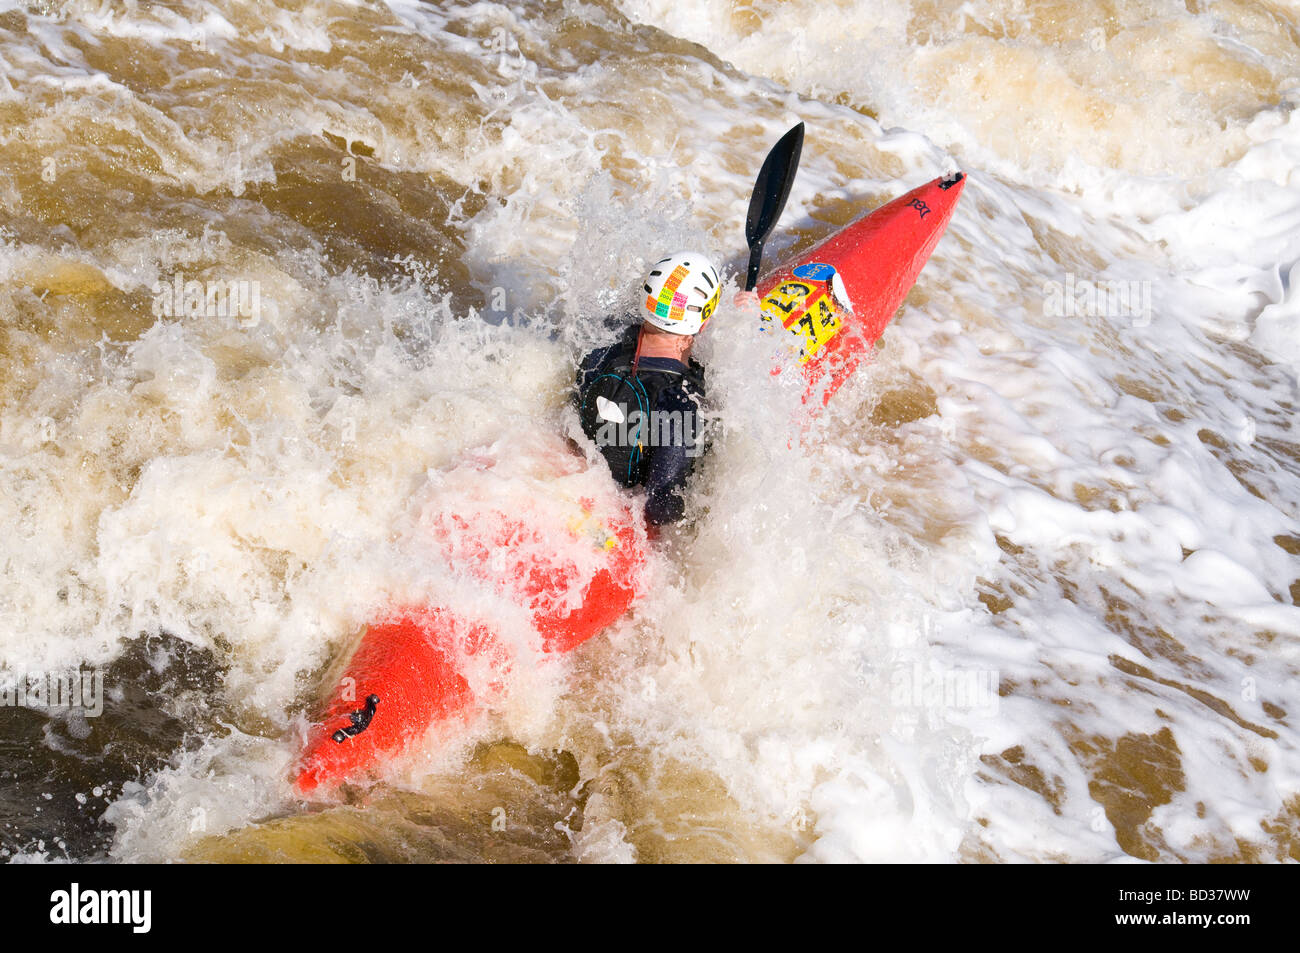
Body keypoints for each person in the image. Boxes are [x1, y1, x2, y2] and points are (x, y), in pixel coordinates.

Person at [575, 251, 722, 527]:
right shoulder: (682, 401)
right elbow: (662, 510)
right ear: (703, 323)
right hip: (626, 522)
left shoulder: (600, 351)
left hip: (582, 491)